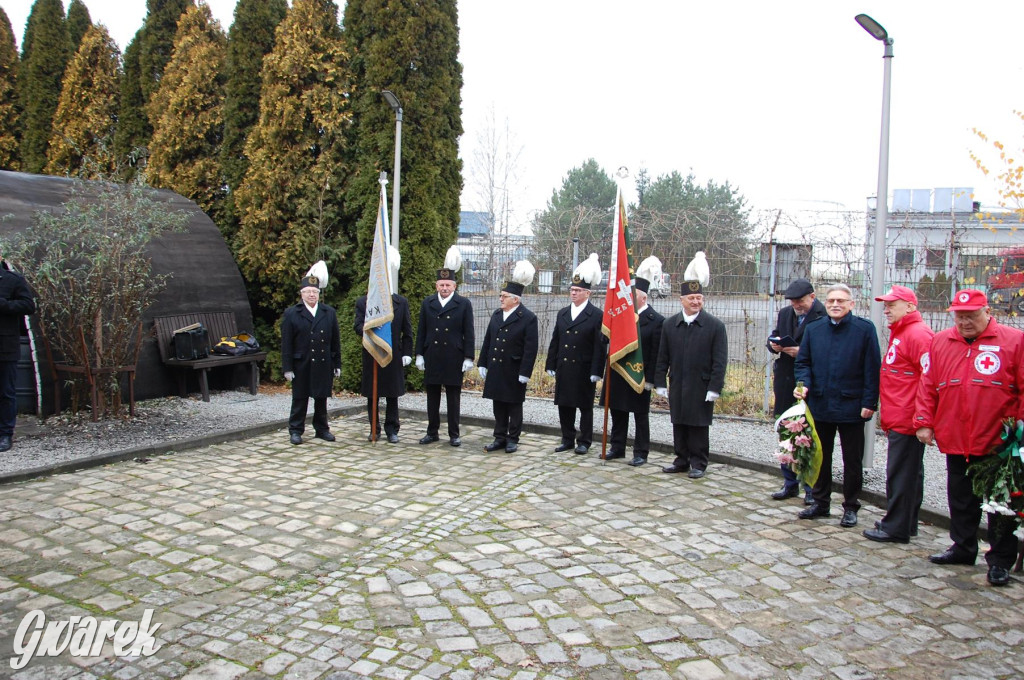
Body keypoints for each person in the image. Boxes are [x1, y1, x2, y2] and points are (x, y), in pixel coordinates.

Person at [915, 289, 1024, 586]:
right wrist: (924, 422)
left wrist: (1020, 428)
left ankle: (1000, 560)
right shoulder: (941, 341)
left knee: (1000, 504)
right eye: (960, 316)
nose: (965, 322)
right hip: (956, 436)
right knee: (961, 498)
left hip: (998, 442)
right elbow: (928, 384)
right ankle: (963, 547)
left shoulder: (1014, 341)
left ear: (987, 312)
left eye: (971, 316)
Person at [794, 283, 880, 528]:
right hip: (820, 403)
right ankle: (821, 502)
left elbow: (872, 368)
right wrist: (804, 385)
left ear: (851, 304)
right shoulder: (814, 329)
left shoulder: (864, 330)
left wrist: (869, 401)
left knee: (852, 461)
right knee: (821, 457)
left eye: (841, 301)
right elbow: (803, 363)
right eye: (831, 300)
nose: (835, 304)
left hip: (852, 407)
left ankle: (851, 506)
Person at [863, 285, 933, 544]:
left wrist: (923, 418)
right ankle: (905, 522)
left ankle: (896, 527)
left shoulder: (917, 335)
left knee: (901, 473)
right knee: (908, 472)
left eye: (893, 304)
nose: (887, 310)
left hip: (908, 418)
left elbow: (929, 378)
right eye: (886, 305)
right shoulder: (903, 333)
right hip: (901, 415)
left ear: (911, 307)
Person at [654, 279, 727, 479]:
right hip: (678, 381)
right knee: (679, 422)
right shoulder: (670, 325)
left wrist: (715, 387)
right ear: (682, 300)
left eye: (699, 298)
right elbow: (662, 356)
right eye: (691, 298)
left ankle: (699, 462)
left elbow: (720, 361)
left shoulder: (715, 326)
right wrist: (660, 381)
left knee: (698, 424)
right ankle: (681, 459)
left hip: (701, 384)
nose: (695, 302)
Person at [600, 256, 664, 466]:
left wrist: (652, 380)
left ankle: (640, 452)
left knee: (640, 415)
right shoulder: (620, 315)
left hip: (639, 374)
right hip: (618, 368)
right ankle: (617, 447)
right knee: (617, 411)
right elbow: (605, 339)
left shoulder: (656, 321)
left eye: (632, 294)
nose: (627, 297)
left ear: (643, 297)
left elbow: (656, 354)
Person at [767, 278, 826, 503]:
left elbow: (827, 350)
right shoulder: (785, 314)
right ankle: (789, 482)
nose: (796, 306)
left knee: (808, 436)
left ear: (812, 296)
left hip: (810, 384)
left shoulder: (823, 315)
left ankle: (811, 487)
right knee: (786, 432)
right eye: (793, 302)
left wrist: (800, 352)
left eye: (800, 301)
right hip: (785, 381)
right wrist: (773, 344)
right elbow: (776, 334)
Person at [546, 254, 606, 455]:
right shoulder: (563, 313)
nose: (573, 293)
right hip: (565, 366)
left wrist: (597, 370)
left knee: (584, 407)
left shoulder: (596, 315)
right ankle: (567, 438)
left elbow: (599, 345)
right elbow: (556, 340)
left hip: (584, 367)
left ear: (587, 293)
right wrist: (550, 364)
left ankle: (585, 440)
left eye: (578, 291)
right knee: (564, 405)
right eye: (572, 290)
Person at [415, 246, 475, 447]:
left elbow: (469, 332)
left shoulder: (463, 304)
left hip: (453, 356)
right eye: (441, 285)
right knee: (432, 396)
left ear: (454, 286)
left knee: (453, 397)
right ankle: (432, 432)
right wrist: (419, 354)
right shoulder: (428, 303)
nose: (444, 288)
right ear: (436, 285)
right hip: (432, 354)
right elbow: (421, 330)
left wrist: (468, 357)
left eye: (448, 285)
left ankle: (454, 433)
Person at [478, 260, 538, 454]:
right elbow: (488, 340)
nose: (501, 299)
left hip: (514, 369)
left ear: (516, 299)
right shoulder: (497, 315)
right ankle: (499, 437)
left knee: (514, 405)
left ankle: (513, 438)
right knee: (498, 404)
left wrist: (525, 372)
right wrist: (483, 363)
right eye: (500, 296)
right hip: (496, 367)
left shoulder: (528, 318)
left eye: (504, 297)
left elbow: (531, 348)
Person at [354, 247, 412, 443]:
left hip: (392, 354)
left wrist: (407, 353)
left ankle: (392, 429)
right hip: (372, 352)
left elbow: (407, 330)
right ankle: (374, 429)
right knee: (373, 394)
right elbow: (356, 326)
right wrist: (370, 325)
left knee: (392, 395)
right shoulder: (364, 302)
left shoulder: (400, 302)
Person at [281, 271, 341, 445]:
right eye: (308, 291)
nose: (312, 295)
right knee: (300, 398)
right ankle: (296, 430)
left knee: (321, 398)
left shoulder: (328, 312)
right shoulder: (292, 313)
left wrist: (337, 363)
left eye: (314, 292)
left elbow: (335, 341)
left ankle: (322, 429)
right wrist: (287, 367)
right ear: (302, 293)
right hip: (302, 363)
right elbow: (286, 343)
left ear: (318, 293)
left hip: (323, 362)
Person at [0, 259, 35, 452]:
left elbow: (28, 306)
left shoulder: (12, 280)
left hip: (5, 345)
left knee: (6, 391)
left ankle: (5, 434)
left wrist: (3, 304)